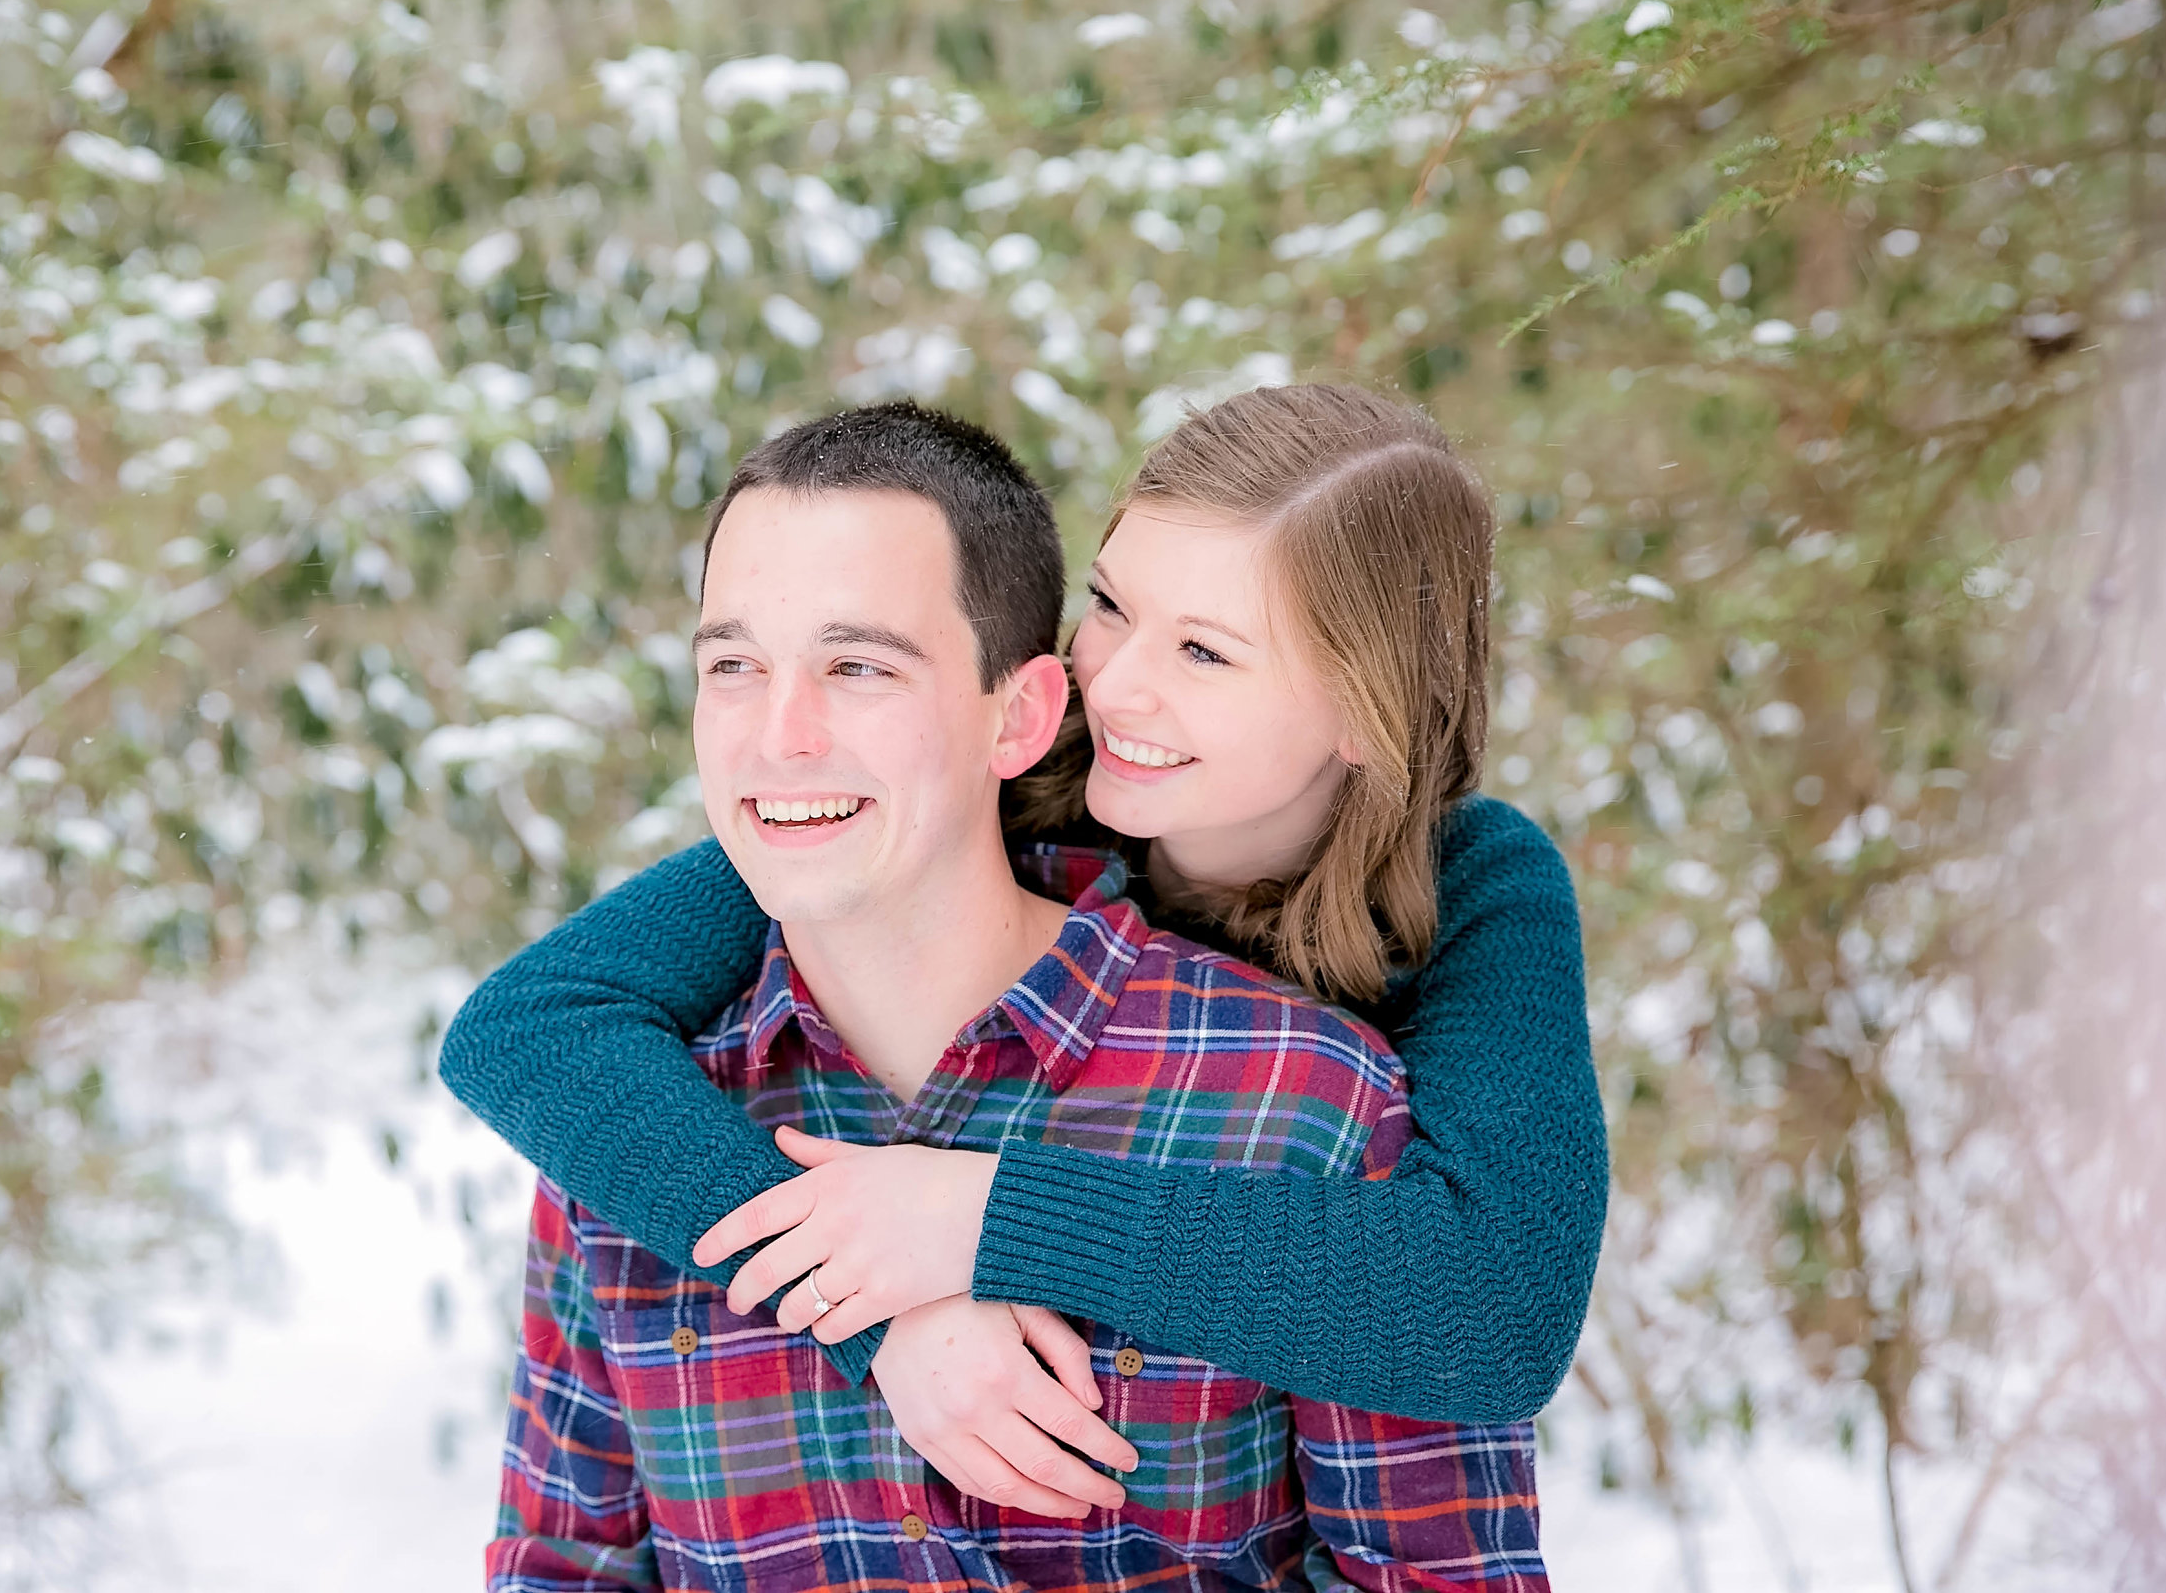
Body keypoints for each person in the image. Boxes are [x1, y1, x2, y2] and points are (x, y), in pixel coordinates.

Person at [446, 384, 1604, 1513]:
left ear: (1369, 706)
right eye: (1110, 605)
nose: (1117, 681)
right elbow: (532, 1027)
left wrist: (979, 1215)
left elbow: (1490, 1306)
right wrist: (869, 1301)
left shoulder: (1468, 887)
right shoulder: (987, 786)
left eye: (1205, 651)